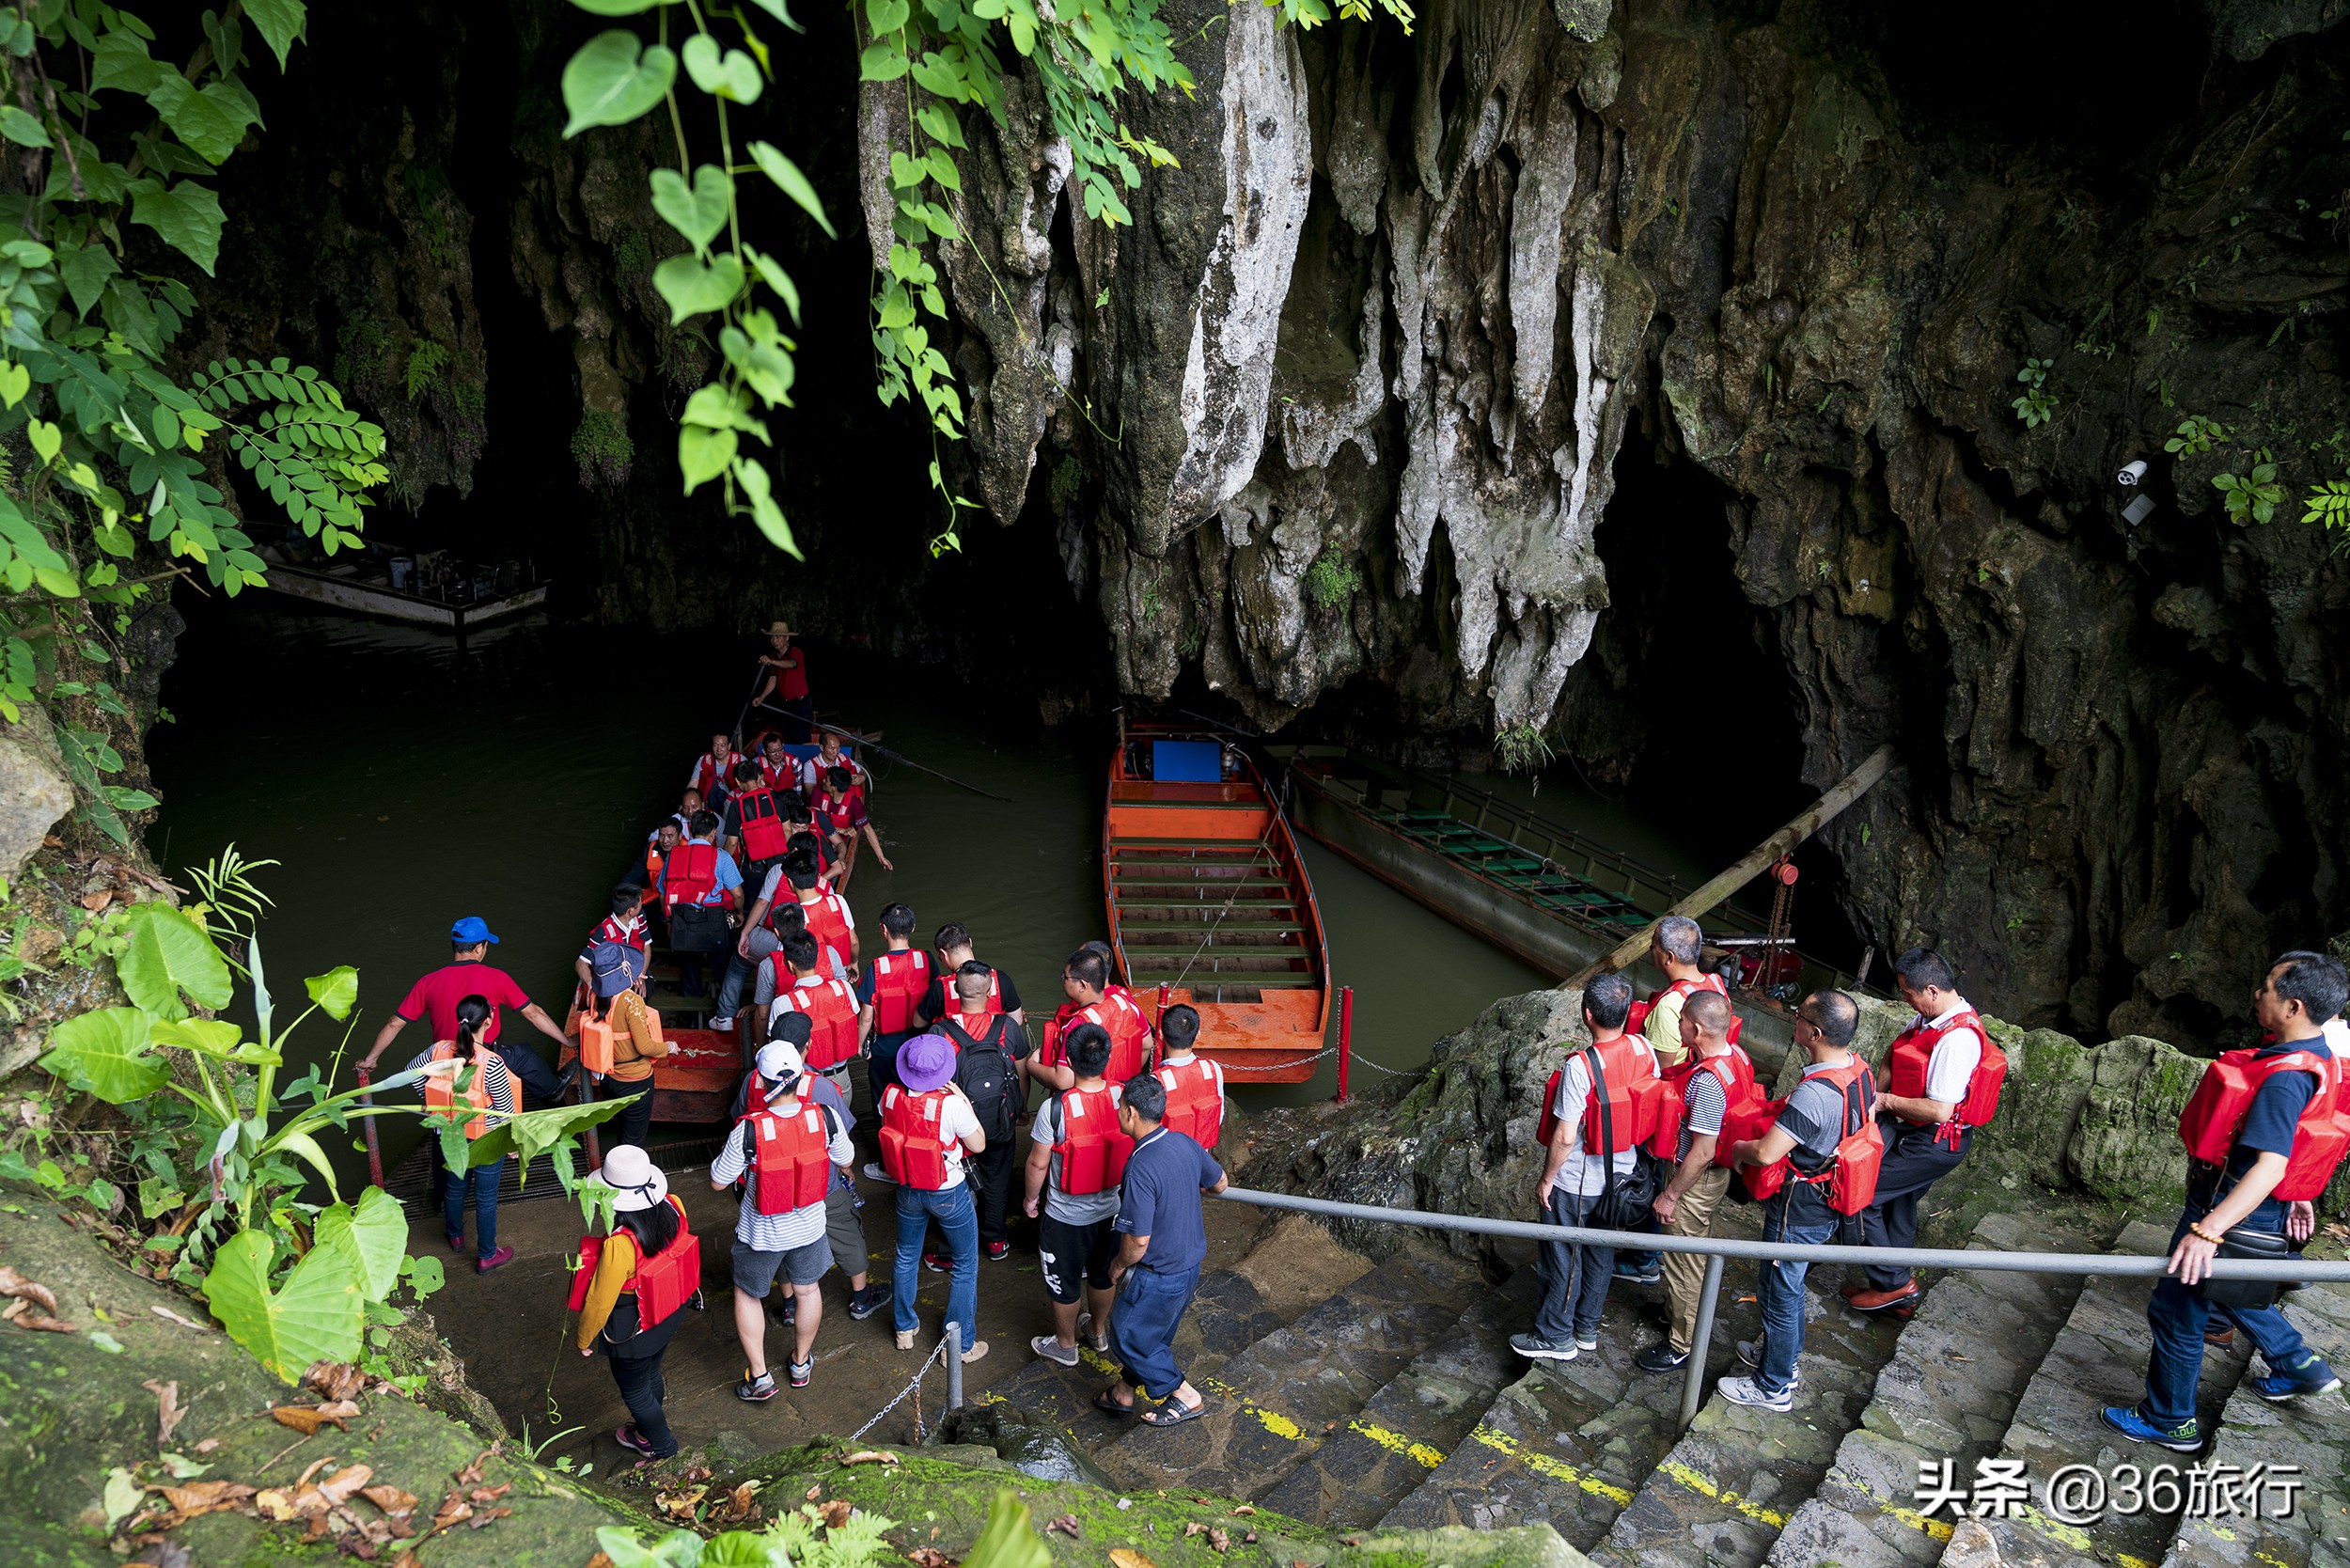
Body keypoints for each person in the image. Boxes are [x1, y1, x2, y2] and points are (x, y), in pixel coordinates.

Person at [2101, 953, 2347, 1450]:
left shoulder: (2284, 1078)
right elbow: (2306, 1138)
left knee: (2176, 1310)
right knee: (2214, 1297)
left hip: (2230, 1206)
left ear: (2294, 1005)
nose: (2258, 995)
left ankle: (2170, 1419)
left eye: (2267, 988)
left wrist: (2207, 1229)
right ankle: (2297, 1366)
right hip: (2254, 1205)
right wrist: (2297, 1196)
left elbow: (2270, 1165)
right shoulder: (2320, 1054)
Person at [1720, 989, 1873, 1411]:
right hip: (1829, 1200)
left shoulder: (1816, 1094)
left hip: (1800, 1210)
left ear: (1815, 1032)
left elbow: (1768, 1152)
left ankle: (1773, 1386)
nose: (1794, 1021)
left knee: (1780, 1291)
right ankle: (1783, 1360)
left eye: (1799, 1016)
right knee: (1787, 1283)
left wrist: (1737, 1150)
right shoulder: (1859, 1070)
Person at [1510, 974, 1654, 1362]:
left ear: (1587, 1014)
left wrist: (1547, 1179)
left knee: (1562, 1256)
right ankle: (1586, 1327)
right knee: (1599, 1252)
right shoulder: (1644, 1048)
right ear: (1627, 1012)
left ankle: (1556, 1336)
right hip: (1622, 1178)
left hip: (1577, 1183)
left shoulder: (1580, 1067)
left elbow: (1565, 1137)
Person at [1850, 947, 2000, 1317]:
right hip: (1912, 1130)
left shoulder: (1957, 1038)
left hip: (1936, 1142)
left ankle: (1894, 1285)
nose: (1906, 1000)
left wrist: (1882, 1102)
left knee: (1861, 1196)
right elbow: (1893, 1056)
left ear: (1932, 990)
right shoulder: (1930, 1019)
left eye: (1909, 994)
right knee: (1898, 1206)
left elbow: (1938, 1110)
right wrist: (1873, 1106)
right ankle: (1895, 1293)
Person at [710, 1040, 855, 1397]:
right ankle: (801, 1363)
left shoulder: (749, 1130)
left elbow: (718, 1181)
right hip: (810, 1227)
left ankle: (759, 1377)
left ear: (761, 1081)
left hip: (762, 1233)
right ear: (801, 1077)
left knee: (748, 1294)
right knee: (808, 1290)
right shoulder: (825, 1117)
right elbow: (846, 1158)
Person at [728, 1020, 892, 1326]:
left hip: (769, 1189)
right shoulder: (822, 1088)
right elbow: (841, 1141)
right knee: (845, 1233)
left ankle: (789, 1305)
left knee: (780, 1242)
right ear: (806, 1048)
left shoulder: (753, 1079)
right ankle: (861, 1297)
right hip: (820, 1186)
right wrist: (847, 1170)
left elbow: (739, 1120)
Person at [1094, 1073, 1228, 1425]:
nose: (1119, 1112)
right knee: (1152, 1335)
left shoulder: (1141, 1165)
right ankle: (1124, 1393)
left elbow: (1137, 1242)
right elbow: (1220, 1183)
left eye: (1121, 1107)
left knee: (1127, 1336)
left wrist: (1117, 1267)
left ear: (1132, 1113)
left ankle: (1185, 1396)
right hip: (1189, 1265)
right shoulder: (1184, 1143)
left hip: (1159, 1273)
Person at [1635, 990, 1757, 1372]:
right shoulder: (1736, 1057)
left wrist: (1670, 1194)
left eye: (1682, 1020)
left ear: (1698, 1029)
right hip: (1715, 1175)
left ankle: (1682, 1342)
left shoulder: (1706, 1083)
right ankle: (1675, 1312)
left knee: (1684, 1259)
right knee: (1688, 1252)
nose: (1678, 1025)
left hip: (1694, 1178)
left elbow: (1702, 1150)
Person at [572, 1145, 700, 1464]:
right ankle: (644, 1434)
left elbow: (600, 1299)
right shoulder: (674, 1205)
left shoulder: (620, 1244)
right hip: (669, 1310)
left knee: (635, 1392)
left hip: (635, 1327)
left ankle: (665, 1450)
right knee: (651, 1372)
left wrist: (584, 1338)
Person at [362, 917, 567, 1105]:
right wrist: (567, 1041)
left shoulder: (427, 982)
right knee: (524, 1055)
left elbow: (394, 1023)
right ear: (479, 948)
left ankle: (437, 1107)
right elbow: (534, 1013)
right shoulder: (497, 977)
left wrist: (370, 1059)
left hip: (444, 1060)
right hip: (484, 1054)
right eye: (486, 945)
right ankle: (554, 1091)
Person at [879, 1033, 990, 1363]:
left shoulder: (890, 1095)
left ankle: (904, 1328)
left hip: (908, 1189)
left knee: (906, 1255)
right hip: (948, 1191)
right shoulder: (952, 1104)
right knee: (966, 1265)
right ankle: (959, 1346)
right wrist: (965, 1102)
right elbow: (979, 1143)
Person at [1025, 1023, 1127, 1367]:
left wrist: (1030, 1200)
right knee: (1103, 1274)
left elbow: (1038, 1165)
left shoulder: (1055, 1109)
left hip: (1066, 1218)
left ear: (1067, 1059)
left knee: (1064, 1281)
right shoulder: (1124, 1099)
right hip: (1113, 1209)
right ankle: (1097, 1331)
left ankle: (1066, 1345)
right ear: (1108, 1058)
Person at [929, 964, 1031, 1264]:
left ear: (956, 991)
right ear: (990, 993)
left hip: (958, 1130)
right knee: (998, 1181)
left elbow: (933, 1085)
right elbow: (1022, 1072)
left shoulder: (940, 1032)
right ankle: (996, 1240)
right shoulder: (1007, 1028)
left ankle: (951, 1251)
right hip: (1001, 1122)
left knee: (955, 1184)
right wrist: (1020, 1109)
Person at [422, 995, 517, 1273]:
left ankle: (455, 1236)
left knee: (455, 1187)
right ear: (488, 1020)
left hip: (450, 1135)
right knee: (485, 1198)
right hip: (485, 1139)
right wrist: (512, 1146)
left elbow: (413, 1073)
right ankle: (487, 1254)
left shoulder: (438, 1049)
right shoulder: (491, 1062)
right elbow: (505, 1113)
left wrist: (429, 1104)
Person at [584, 942, 667, 1152]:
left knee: (622, 1127)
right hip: (635, 1083)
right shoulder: (632, 1002)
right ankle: (623, 1179)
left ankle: (617, 1161)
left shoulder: (595, 994)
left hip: (608, 1080)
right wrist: (668, 1048)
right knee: (633, 1143)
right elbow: (645, 1046)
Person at [1033, 948, 1154, 1091]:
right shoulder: (1123, 1002)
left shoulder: (1077, 1023)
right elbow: (1147, 1044)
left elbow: (1063, 1082)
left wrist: (1031, 1065)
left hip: (1092, 1101)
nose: (1063, 981)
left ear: (1082, 985)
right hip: (1124, 1093)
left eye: (1065, 977)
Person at [759, 931, 865, 1093]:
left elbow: (775, 1048)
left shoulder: (783, 1003)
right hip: (842, 1081)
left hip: (802, 1084)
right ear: (817, 957)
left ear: (790, 965)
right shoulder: (844, 988)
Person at [659, 810, 744, 996]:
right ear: (713, 833)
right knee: (723, 962)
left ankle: (692, 1006)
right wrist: (739, 914)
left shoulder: (674, 855)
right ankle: (724, 1004)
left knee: (689, 964)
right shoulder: (721, 857)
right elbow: (737, 895)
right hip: (714, 924)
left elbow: (663, 893)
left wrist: (669, 921)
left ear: (690, 830)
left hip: (682, 922)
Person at [858, 904, 931, 1098]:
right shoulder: (926, 960)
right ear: (913, 927)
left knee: (884, 1100)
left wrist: (859, 1045)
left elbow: (866, 1017)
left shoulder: (876, 968)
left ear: (883, 929)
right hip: (920, 1046)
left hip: (885, 1050)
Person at [1638, 916, 1725, 1072]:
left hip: (1675, 1085)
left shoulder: (1669, 1005)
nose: (1651, 951)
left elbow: (1659, 1072)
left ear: (1669, 957)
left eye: (1653, 947)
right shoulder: (1716, 983)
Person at [916, 924, 1025, 1028]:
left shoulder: (939, 988)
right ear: (970, 942)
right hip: (994, 1045)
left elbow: (918, 1023)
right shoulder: (1001, 979)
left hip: (955, 1046)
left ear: (943, 954)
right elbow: (1017, 1020)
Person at [1152, 1005, 1226, 1151]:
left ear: (1160, 1035)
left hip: (1169, 1160)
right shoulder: (1213, 1069)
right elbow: (1219, 1116)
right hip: (1202, 1157)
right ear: (1198, 1034)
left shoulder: (1155, 1081)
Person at [813, 764, 892, 886]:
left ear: (834, 788)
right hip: (819, 839)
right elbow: (812, 820)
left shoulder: (854, 804)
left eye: (827, 780)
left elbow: (868, 829)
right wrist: (840, 830)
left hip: (839, 844)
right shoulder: (818, 792)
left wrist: (881, 857)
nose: (824, 781)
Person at [576, 886, 651, 995]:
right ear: (631, 911)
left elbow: (646, 947)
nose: (642, 905)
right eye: (640, 903)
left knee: (646, 989)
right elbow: (581, 963)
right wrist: (591, 985)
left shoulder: (639, 916)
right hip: (614, 977)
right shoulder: (603, 932)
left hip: (636, 966)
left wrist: (640, 974)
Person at [755, 621, 812, 743]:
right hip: (784, 703)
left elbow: (791, 664)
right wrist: (762, 696)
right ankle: (789, 760)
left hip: (800, 704)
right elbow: (773, 678)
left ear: (787, 638)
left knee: (802, 737)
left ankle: (803, 760)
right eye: (772, 637)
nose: (774, 640)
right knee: (787, 736)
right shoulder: (774, 655)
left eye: (778, 637)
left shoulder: (796, 652)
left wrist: (772, 661)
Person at [797, 728, 867, 796]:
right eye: (832, 748)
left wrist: (862, 777)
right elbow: (809, 792)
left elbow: (862, 772)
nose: (836, 752)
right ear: (822, 748)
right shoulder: (810, 765)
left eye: (838, 747)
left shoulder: (842, 757)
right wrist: (831, 791)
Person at [687, 732, 742, 813]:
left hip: (732, 803)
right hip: (708, 802)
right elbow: (693, 784)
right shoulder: (704, 760)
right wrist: (687, 801)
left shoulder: (740, 760)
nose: (719, 750)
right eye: (715, 745)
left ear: (729, 746)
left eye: (722, 746)